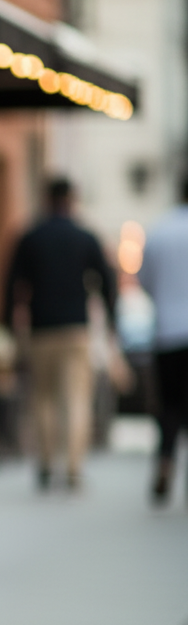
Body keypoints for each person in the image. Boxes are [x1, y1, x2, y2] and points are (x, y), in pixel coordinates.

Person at [4, 178, 115, 490]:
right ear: (72, 199)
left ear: (46, 199)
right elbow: (107, 281)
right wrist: (111, 322)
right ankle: (73, 467)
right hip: (75, 330)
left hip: (41, 330)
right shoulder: (85, 237)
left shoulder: (30, 237)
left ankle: (45, 463)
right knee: (76, 399)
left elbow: (11, 284)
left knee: (42, 398)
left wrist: (9, 326)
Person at [138, 176, 188, 503]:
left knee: (169, 407)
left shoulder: (160, 231)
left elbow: (144, 280)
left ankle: (166, 462)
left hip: (168, 333)